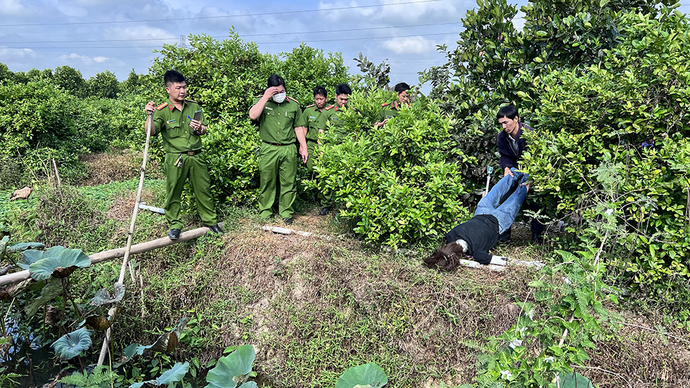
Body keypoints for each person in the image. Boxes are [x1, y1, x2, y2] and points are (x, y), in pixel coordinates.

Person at [144, 70, 223, 240]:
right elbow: (151, 132)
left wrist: (199, 128)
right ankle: (175, 226)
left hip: (196, 156)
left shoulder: (194, 106)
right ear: (168, 90)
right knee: (173, 192)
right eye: (178, 88)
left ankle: (211, 222)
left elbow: (204, 130)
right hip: (175, 158)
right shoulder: (162, 110)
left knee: (204, 190)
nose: (182, 91)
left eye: (184, 87)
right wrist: (149, 115)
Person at [424, 170, 531, 270]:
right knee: (499, 188)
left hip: (498, 221)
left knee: (518, 195)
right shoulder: (450, 236)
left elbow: (498, 261)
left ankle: (528, 176)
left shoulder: (477, 253)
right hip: (482, 212)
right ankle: (515, 171)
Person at [249, 74, 308, 225]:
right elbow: (253, 116)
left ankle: (286, 212)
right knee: (267, 180)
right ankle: (266, 212)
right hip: (269, 148)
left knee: (288, 181)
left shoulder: (293, 105)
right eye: (276, 92)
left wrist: (303, 146)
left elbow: (298, 128)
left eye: (281, 91)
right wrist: (265, 97)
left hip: (288, 148)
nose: (279, 95)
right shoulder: (263, 102)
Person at [496, 104, 544, 242]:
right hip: (515, 170)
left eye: (506, 122)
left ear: (515, 119)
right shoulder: (502, 137)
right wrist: (506, 167)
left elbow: (538, 158)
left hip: (533, 170)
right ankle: (504, 237)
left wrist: (531, 179)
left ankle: (537, 237)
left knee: (535, 201)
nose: (504, 127)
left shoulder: (530, 134)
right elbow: (505, 156)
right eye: (501, 124)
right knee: (505, 197)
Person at [302, 86, 329, 174]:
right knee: (311, 168)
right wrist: (302, 146)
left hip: (327, 144)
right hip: (311, 144)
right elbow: (304, 129)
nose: (319, 101)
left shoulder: (331, 111)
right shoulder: (308, 111)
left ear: (326, 98)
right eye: (317, 99)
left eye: (321, 99)